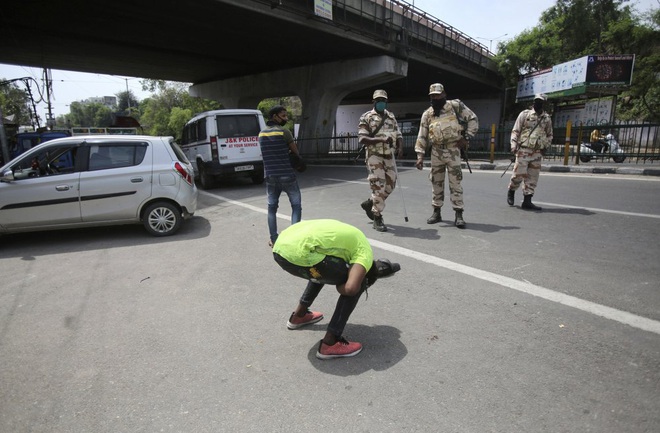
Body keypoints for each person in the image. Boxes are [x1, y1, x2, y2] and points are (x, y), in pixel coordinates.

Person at [272, 219, 401, 359]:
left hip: (280, 248)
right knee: (356, 282)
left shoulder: (352, 237)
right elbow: (351, 289)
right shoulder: (364, 253)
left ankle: (299, 315)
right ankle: (330, 342)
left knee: (325, 267)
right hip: (301, 254)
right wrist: (342, 286)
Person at [414, 83, 478, 229]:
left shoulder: (455, 106)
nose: (435, 98)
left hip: (453, 150)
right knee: (436, 182)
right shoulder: (428, 114)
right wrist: (420, 156)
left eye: (437, 95)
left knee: (455, 183)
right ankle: (437, 212)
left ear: (444, 94)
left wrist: (466, 137)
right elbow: (422, 136)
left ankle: (459, 214)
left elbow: (473, 119)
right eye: (432, 96)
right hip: (436, 152)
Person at [357, 89, 403, 233]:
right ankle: (377, 217)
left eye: (383, 101)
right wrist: (381, 139)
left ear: (386, 102)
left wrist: (400, 147)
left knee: (391, 184)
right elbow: (362, 139)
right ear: (374, 102)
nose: (381, 103)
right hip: (374, 155)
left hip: (389, 156)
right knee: (378, 186)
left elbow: (398, 133)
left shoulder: (391, 116)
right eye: (378, 101)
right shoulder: (367, 117)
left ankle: (371, 202)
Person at [258, 105, 303, 246]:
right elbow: (296, 153)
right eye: (283, 116)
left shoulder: (261, 134)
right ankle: (293, 237)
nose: (286, 118)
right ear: (274, 116)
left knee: (272, 209)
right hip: (287, 175)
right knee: (296, 206)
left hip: (271, 177)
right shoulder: (284, 132)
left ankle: (274, 239)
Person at [506, 93, 553, 211]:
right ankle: (511, 190)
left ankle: (527, 200)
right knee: (518, 174)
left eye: (540, 102)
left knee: (533, 177)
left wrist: (545, 146)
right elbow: (516, 130)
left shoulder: (546, 118)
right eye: (536, 101)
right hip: (524, 150)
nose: (538, 103)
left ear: (544, 104)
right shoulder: (524, 114)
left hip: (537, 152)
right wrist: (513, 145)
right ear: (533, 102)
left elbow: (549, 134)